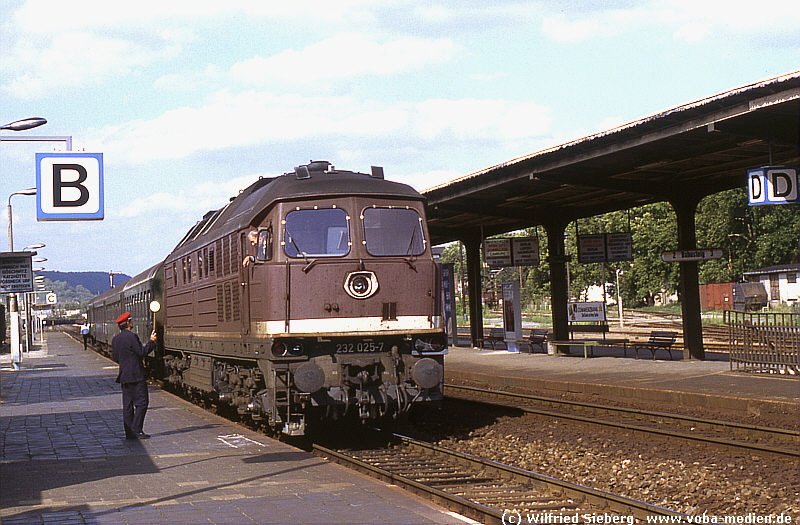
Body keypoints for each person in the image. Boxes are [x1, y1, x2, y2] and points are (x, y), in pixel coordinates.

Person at [111, 312, 157, 439]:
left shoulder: (116, 339)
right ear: (128, 323)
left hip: (124, 376)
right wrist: (152, 342)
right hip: (136, 375)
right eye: (131, 321)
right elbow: (142, 352)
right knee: (142, 403)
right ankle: (137, 429)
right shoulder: (132, 337)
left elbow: (115, 357)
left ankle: (129, 433)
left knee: (128, 406)